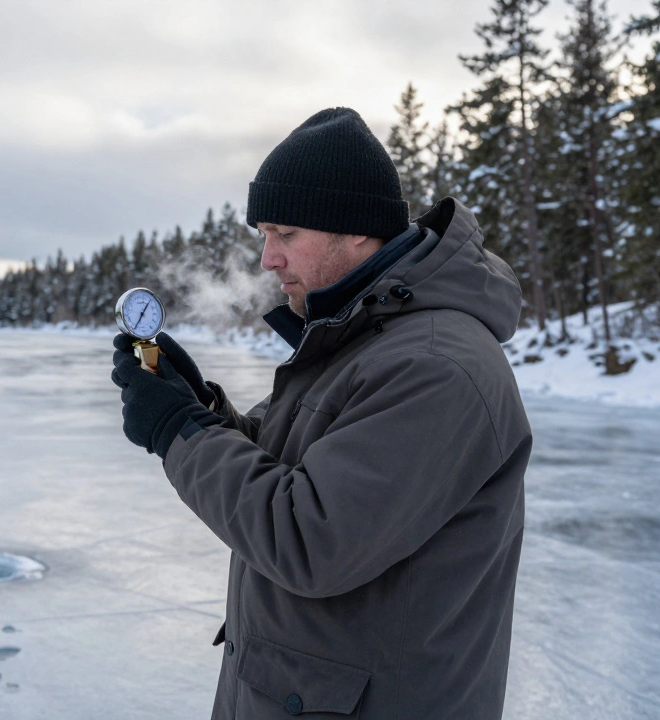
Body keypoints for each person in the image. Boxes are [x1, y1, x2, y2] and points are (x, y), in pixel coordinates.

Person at [110, 108, 531, 719]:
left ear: (355, 230)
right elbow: (290, 462)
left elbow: (308, 536)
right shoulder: (362, 338)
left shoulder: (436, 367)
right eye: (263, 236)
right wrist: (198, 405)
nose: (267, 259)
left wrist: (182, 431)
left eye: (284, 234)